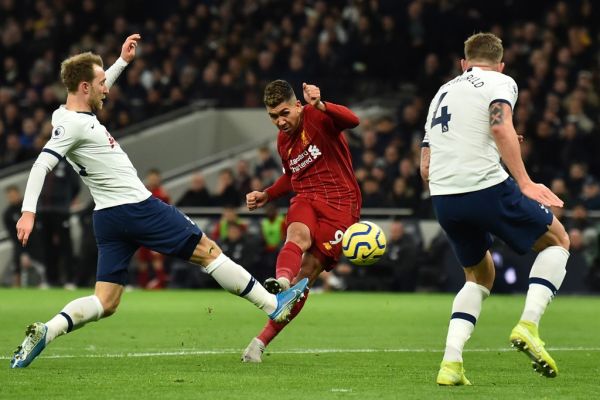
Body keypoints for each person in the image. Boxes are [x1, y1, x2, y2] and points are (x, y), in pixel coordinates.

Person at [10, 34, 308, 369]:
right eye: (100, 83)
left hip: (108, 217)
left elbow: (97, 85)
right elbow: (41, 164)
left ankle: (46, 332)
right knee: (208, 252)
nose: (106, 87)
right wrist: (28, 212)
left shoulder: (64, 115)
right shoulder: (74, 126)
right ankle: (272, 305)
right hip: (137, 208)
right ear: (84, 88)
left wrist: (122, 61)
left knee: (106, 301)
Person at [420, 33, 569, 385]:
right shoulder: (501, 81)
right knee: (558, 240)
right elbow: (500, 124)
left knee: (479, 276)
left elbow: (425, 164)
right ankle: (529, 325)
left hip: (443, 197)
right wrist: (526, 183)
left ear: (463, 63)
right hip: (484, 187)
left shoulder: (442, 92)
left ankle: (451, 364)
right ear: (501, 64)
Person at [241, 79, 361, 362]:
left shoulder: (317, 115)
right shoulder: (283, 141)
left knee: (307, 274)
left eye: (284, 113)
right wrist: (267, 195)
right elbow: (292, 176)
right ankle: (282, 283)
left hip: (341, 204)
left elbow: (353, 120)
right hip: (307, 196)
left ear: (298, 105)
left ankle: (260, 342)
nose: (280, 122)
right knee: (296, 236)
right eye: (273, 116)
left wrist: (320, 103)